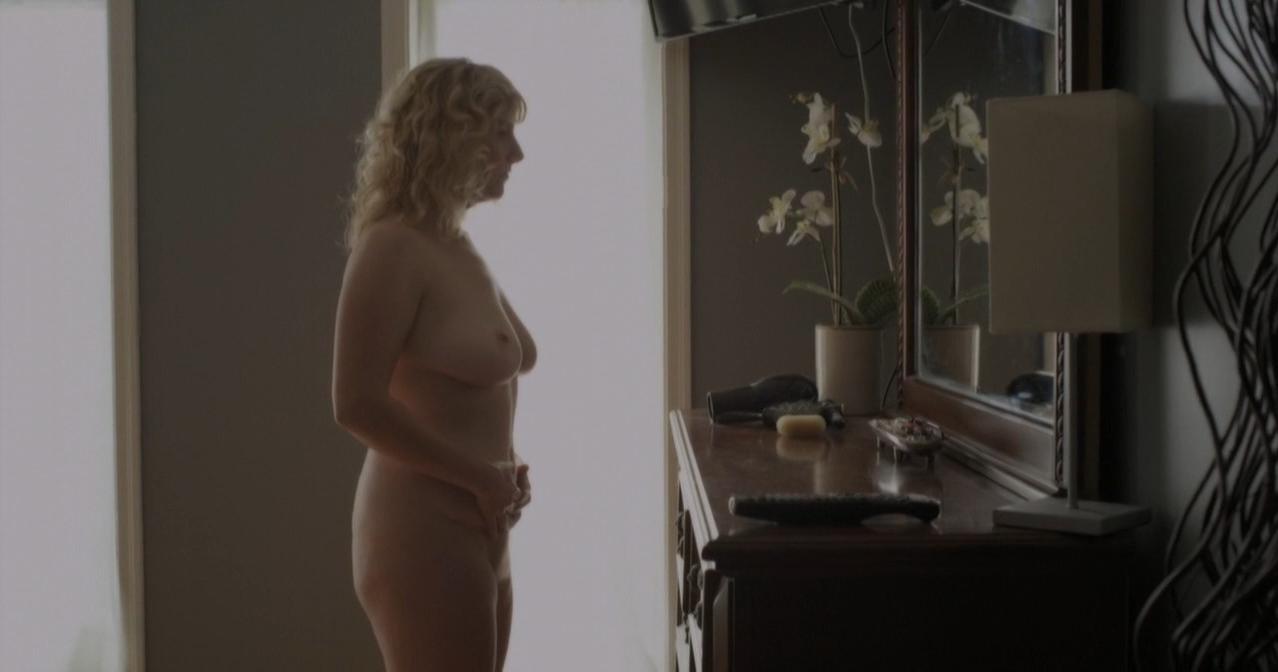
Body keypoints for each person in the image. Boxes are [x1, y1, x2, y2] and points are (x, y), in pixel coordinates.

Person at [331, 57, 535, 672]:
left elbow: (490, 376)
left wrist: (502, 471)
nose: (516, 153)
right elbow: (355, 404)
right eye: (500, 133)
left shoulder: (455, 243)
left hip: (482, 522)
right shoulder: (391, 247)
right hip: (421, 528)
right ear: (454, 137)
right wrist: (479, 476)